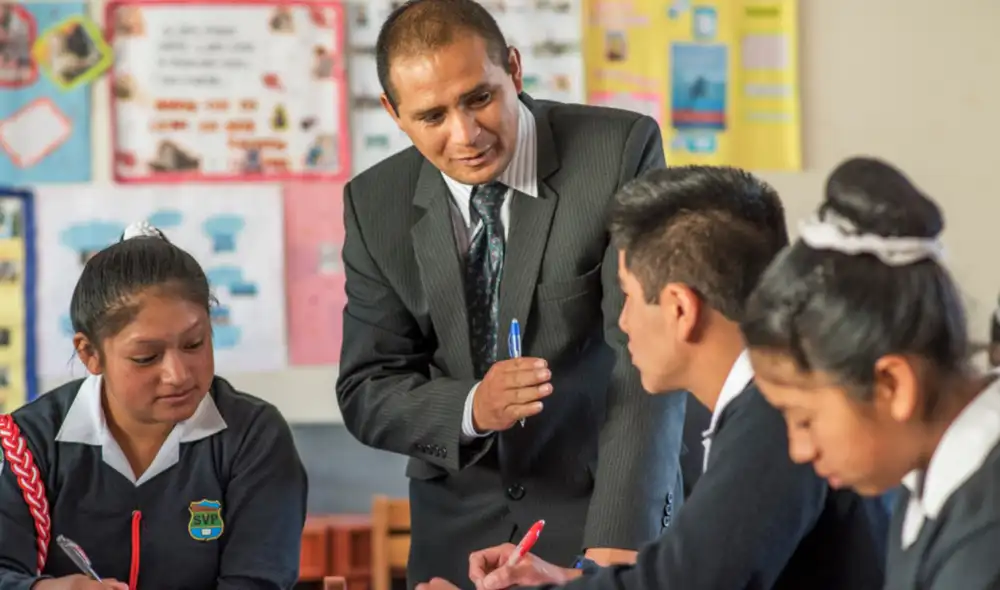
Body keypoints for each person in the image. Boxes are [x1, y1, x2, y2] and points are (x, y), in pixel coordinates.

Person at [336, 0, 691, 586]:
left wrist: (610, 558)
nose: (466, 135)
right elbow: (367, 389)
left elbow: (647, 364)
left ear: (515, 71)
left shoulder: (617, 152)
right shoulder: (374, 205)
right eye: (431, 116)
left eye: (479, 98)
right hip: (455, 537)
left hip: (600, 514)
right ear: (393, 115)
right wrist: (473, 408)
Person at [431, 166, 889, 590]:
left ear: (680, 309)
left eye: (627, 296)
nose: (623, 321)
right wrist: (564, 581)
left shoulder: (779, 421)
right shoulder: (771, 400)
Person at [0, 221, 308, 590]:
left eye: (194, 344)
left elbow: (259, 580)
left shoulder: (252, 437)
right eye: (146, 357)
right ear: (89, 353)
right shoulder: (27, 445)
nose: (177, 374)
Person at [739, 156, 1000, 589]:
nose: (799, 449)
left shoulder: (986, 540)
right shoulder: (922, 473)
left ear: (893, 385)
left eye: (803, 419)